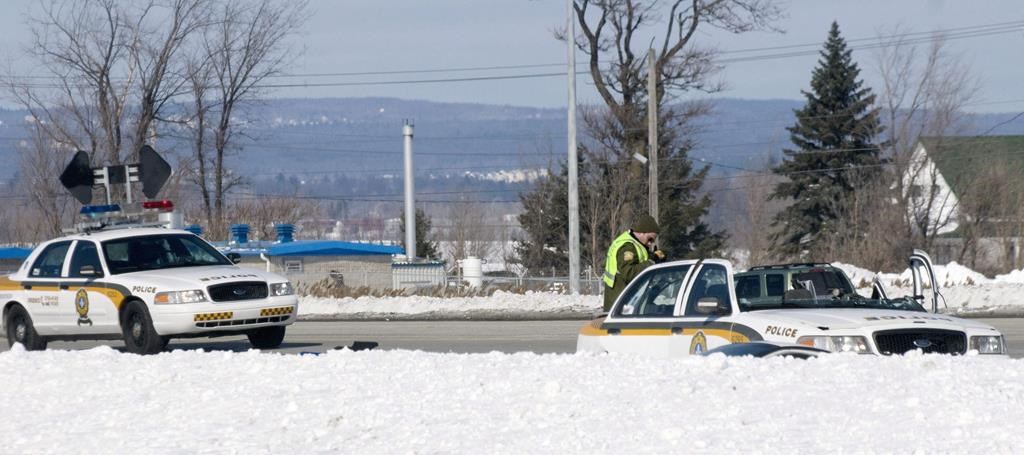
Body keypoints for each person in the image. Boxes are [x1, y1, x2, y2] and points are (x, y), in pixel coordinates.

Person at [602, 214, 665, 311]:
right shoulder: (627, 247)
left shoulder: (636, 244)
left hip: (626, 298)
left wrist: (656, 256)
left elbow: (640, 259)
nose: (650, 243)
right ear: (641, 232)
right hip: (621, 301)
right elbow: (628, 272)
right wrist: (651, 262)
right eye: (650, 239)